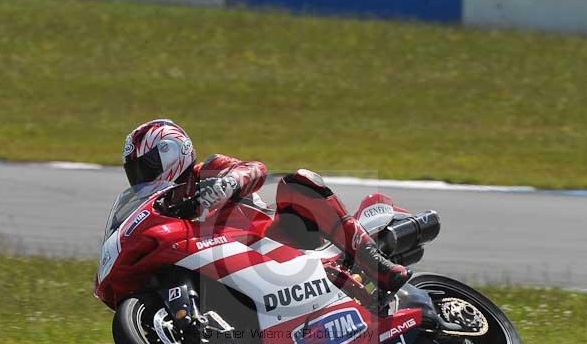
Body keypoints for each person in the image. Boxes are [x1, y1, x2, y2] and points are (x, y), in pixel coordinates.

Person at [122, 119, 411, 293]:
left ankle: (378, 266)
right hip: (233, 268)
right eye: (135, 172)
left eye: (146, 166)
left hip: (276, 239)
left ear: (173, 152)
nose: (141, 177)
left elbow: (256, 169)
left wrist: (229, 182)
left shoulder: (209, 169)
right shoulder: (164, 206)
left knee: (298, 183)